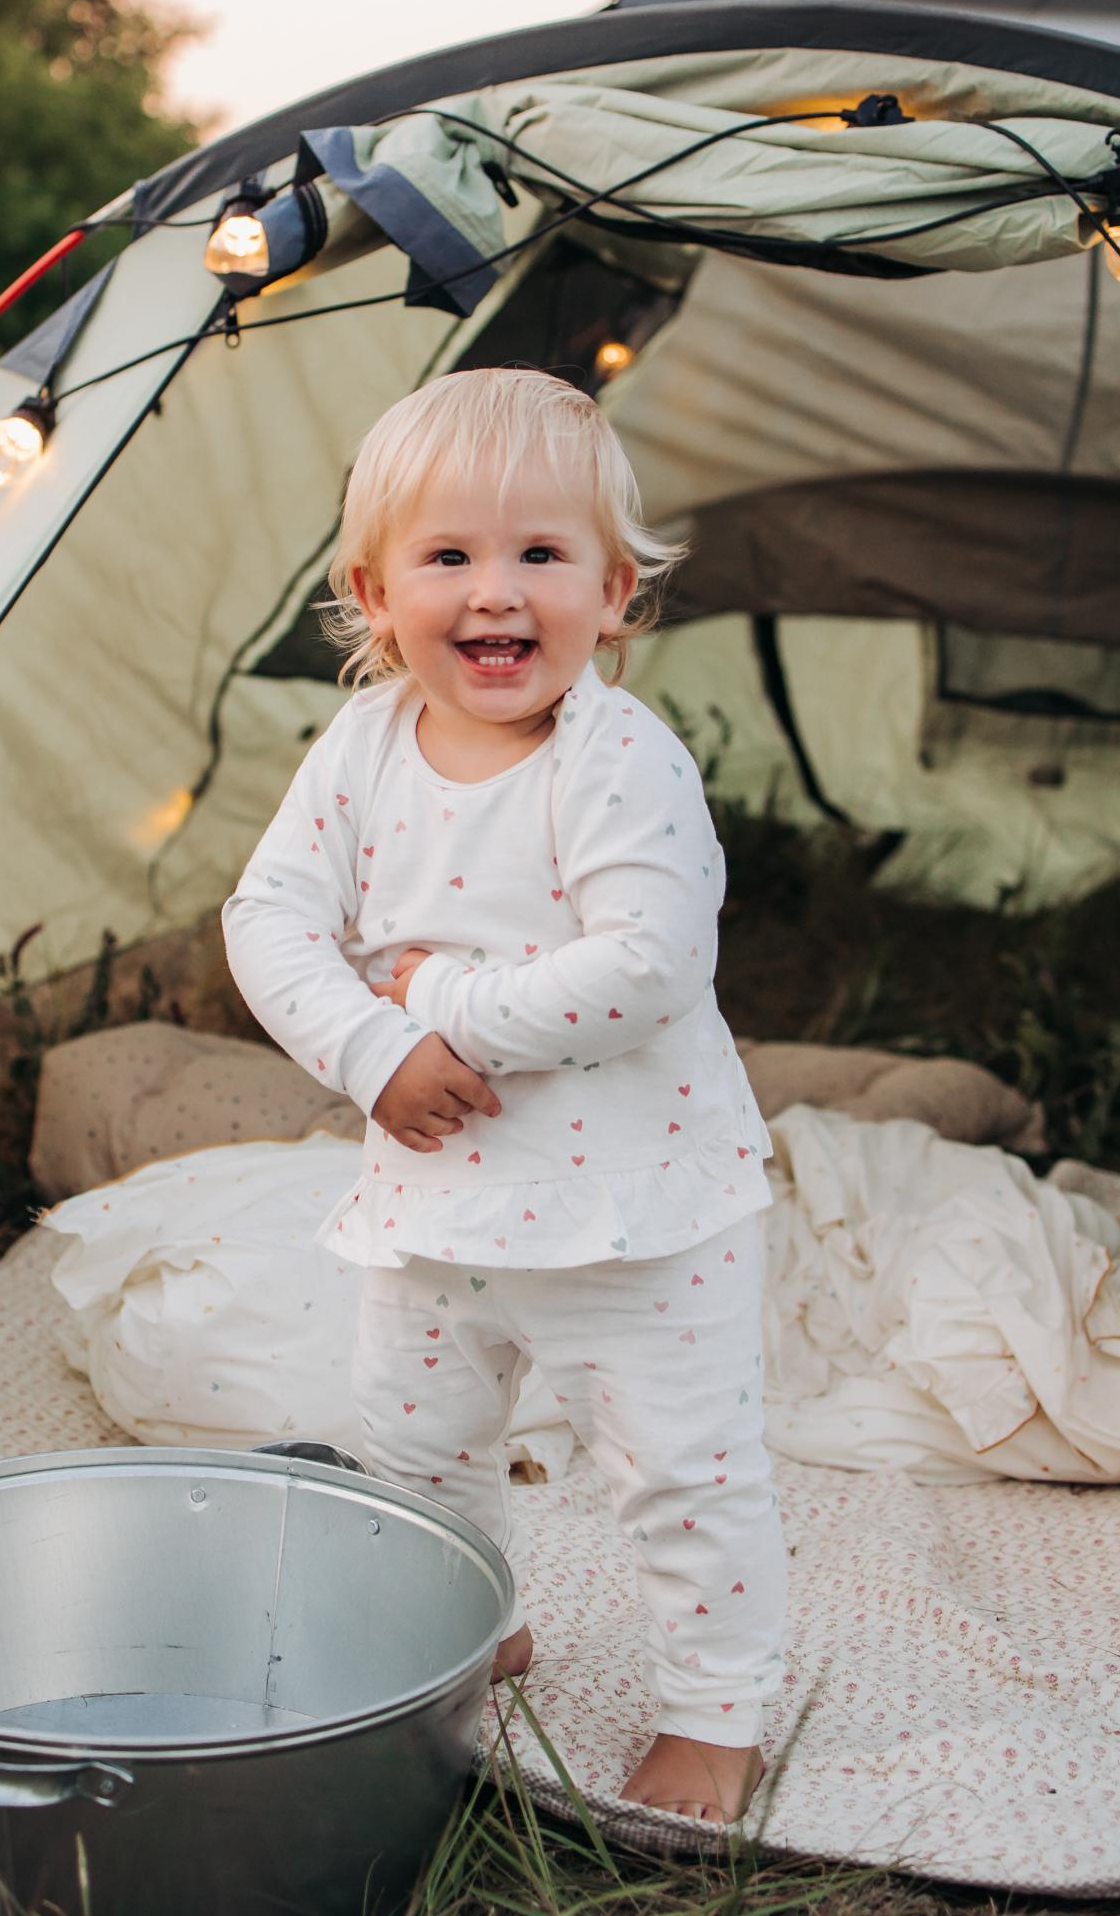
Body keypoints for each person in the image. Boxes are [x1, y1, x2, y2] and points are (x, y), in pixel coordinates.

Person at [222, 366, 784, 1821]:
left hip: (636, 1209)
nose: (497, 595)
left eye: (542, 555)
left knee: (680, 1468)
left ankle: (714, 1714)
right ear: (373, 587)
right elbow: (268, 918)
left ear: (614, 594)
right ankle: (472, 1624)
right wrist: (369, 1047)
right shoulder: (356, 752)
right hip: (437, 1210)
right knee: (417, 1451)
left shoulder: (619, 762)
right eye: (450, 556)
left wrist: (437, 1005)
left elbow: (649, 965)